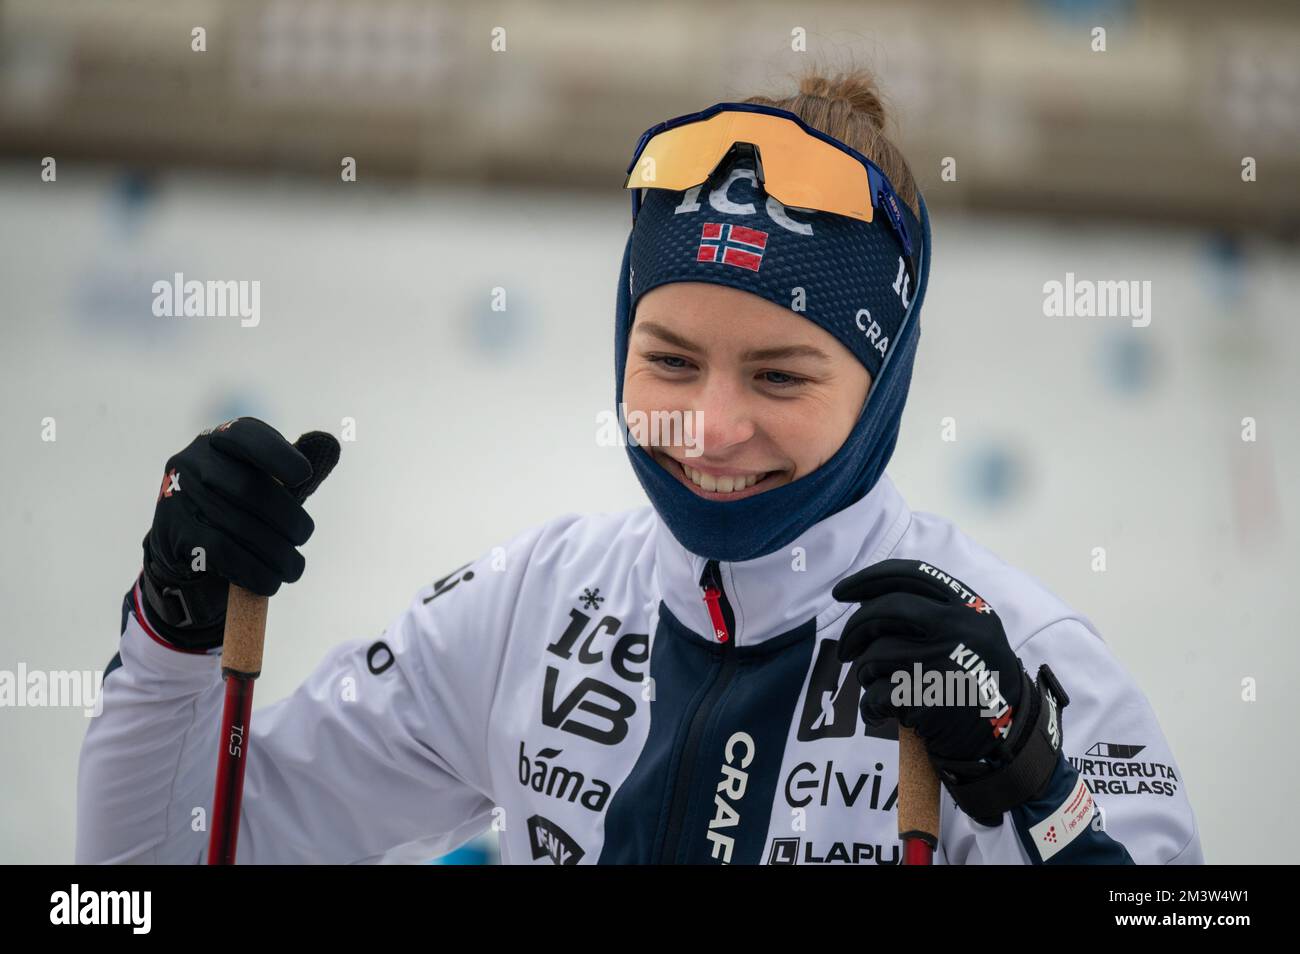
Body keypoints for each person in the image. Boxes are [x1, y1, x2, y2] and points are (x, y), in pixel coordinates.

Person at [77, 68, 1203, 865]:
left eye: (778, 378)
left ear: (883, 388)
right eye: (668, 362)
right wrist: (171, 629)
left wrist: (1035, 794)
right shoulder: (536, 603)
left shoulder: (1022, 658)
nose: (707, 429)